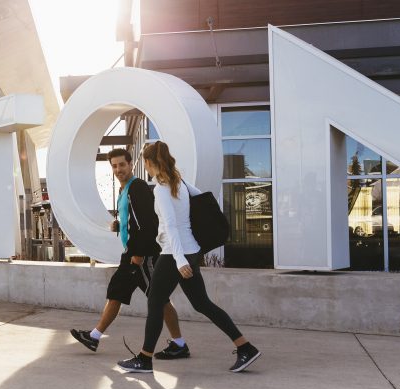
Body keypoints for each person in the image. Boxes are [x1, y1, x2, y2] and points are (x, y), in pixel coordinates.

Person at [117, 141, 261, 374]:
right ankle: (245, 347)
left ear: (148, 162)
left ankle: (144, 359)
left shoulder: (162, 189)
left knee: (155, 302)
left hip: (176, 254)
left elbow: (171, 226)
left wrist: (180, 260)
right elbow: (204, 198)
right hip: (191, 249)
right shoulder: (179, 182)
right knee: (201, 303)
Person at [70, 148, 191, 360]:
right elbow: (134, 221)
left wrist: (139, 254)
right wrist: (120, 225)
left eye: (122, 165)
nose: (118, 169)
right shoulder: (124, 190)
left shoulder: (138, 187)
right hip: (132, 252)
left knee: (160, 299)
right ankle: (94, 336)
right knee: (116, 292)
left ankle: (179, 343)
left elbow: (149, 224)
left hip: (142, 255)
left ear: (130, 165)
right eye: (114, 166)